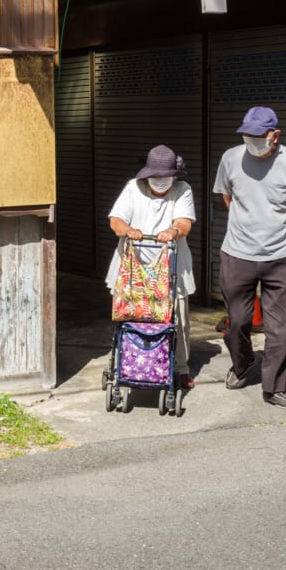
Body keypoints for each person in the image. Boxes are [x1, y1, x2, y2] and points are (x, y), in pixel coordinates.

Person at [212, 106, 286, 410]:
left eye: (257, 136)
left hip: (280, 257)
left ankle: (274, 387)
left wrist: (278, 227)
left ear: (274, 134)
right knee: (238, 321)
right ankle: (242, 365)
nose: (251, 140)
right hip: (237, 254)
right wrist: (246, 223)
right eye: (246, 135)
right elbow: (226, 196)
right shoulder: (231, 158)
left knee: (281, 327)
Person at [105, 145, 197, 390]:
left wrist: (173, 231)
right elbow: (116, 221)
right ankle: (129, 362)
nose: (159, 182)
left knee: (178, 319)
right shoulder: (133, 187)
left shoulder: (182, 190)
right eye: (154, 177)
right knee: (131, 317)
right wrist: (129, 231)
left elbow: (184, 222)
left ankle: (180, 369)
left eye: (165, 178)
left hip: (171, 267)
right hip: (133, 266)